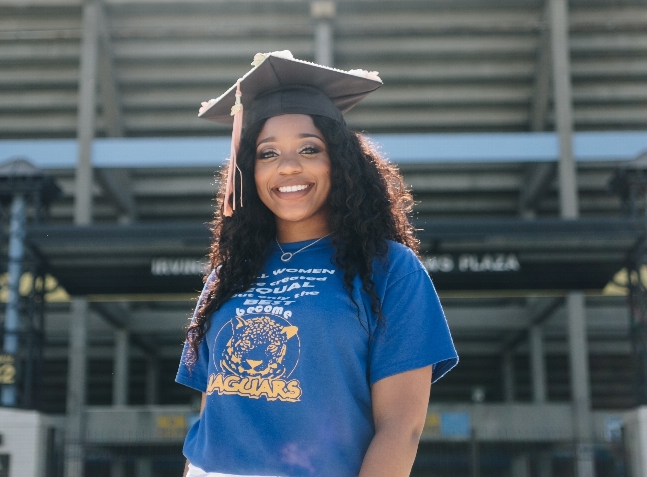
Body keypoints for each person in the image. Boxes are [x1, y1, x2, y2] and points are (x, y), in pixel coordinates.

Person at [176, 51, 458, 477]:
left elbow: (402, 427)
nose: (288, 166)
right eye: (267, 154)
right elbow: (213, 413)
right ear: (248, 171)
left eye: (310, 148)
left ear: (340, 161)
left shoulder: (389, 269)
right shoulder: (228, 275)